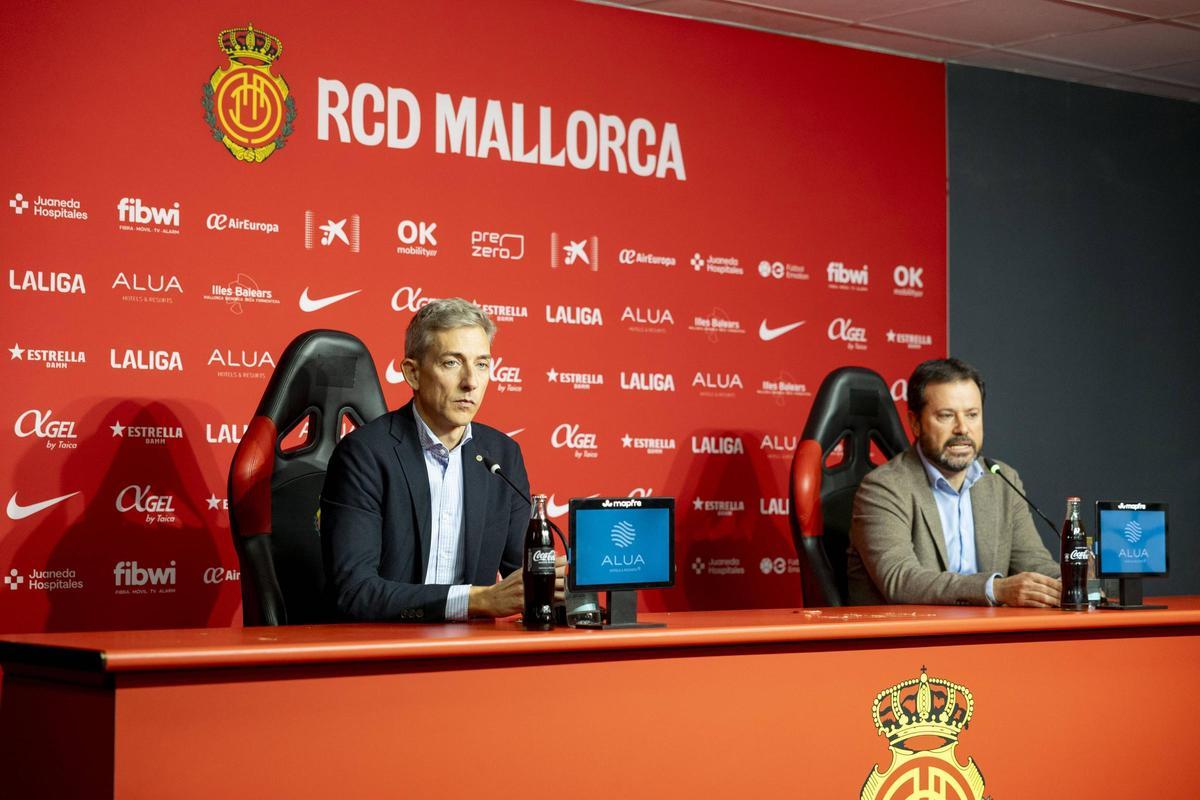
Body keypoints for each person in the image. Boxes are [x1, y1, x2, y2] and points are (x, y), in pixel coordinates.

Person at [321, 298, 564, 621]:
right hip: (383, 648)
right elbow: (354, 592)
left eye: (481, 364)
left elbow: (522, 574)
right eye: (452, 362)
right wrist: (476, 600)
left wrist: (564, 587)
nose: (471, 382)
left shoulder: (502, 455)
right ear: (413, 373)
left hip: (471, 655)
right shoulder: (364, 455)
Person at [846, 358, 1062, 607]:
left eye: (972, 415)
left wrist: (1072, 581)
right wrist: (994, 589)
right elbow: (900, 580)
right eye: (947, 416)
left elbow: (1033, 562)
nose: (963, 429)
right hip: (910, 639)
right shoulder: (883, 488)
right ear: (915, 423)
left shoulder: (1002, 480)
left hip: (988, 636)